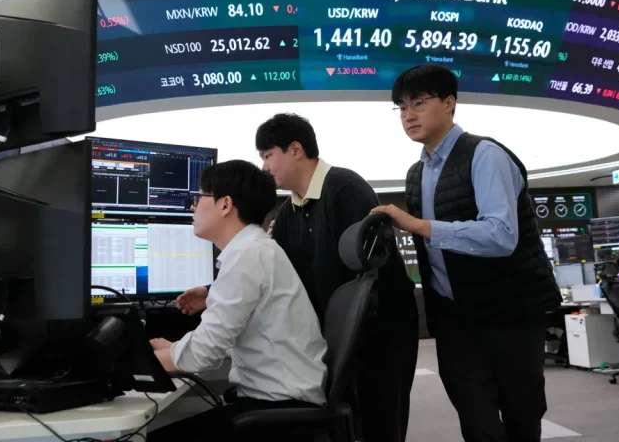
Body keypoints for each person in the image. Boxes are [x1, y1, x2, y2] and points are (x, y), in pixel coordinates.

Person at [373, 64, 562, 442]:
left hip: (509, 311)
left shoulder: (485, 155)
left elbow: (501, 235)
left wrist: (421, 226)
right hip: (453, 317)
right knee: (476, 419)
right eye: (401, 107)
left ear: (449, 103)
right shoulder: (416, 173)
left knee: (521, 414)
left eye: (419, 103)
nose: (408, 115)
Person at [256, 113, 419, 442]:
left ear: (296, 150)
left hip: (381, 330)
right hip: (339, 337)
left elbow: (374, 267)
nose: (264, 166)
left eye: (268, 155)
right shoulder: (288, 213)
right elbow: (271, 272)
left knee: (381, 423)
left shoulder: (345, 188)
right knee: (347, 425)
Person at [149, 160, 327, 441]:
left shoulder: (248, 256)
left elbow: (204, 354)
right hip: (279, 403)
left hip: (278, 413)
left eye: (199, 198)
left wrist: (133, 363)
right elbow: (221, 341)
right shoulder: (254, 251)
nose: (193, 207)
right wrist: (175, 350)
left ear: (225, 205)